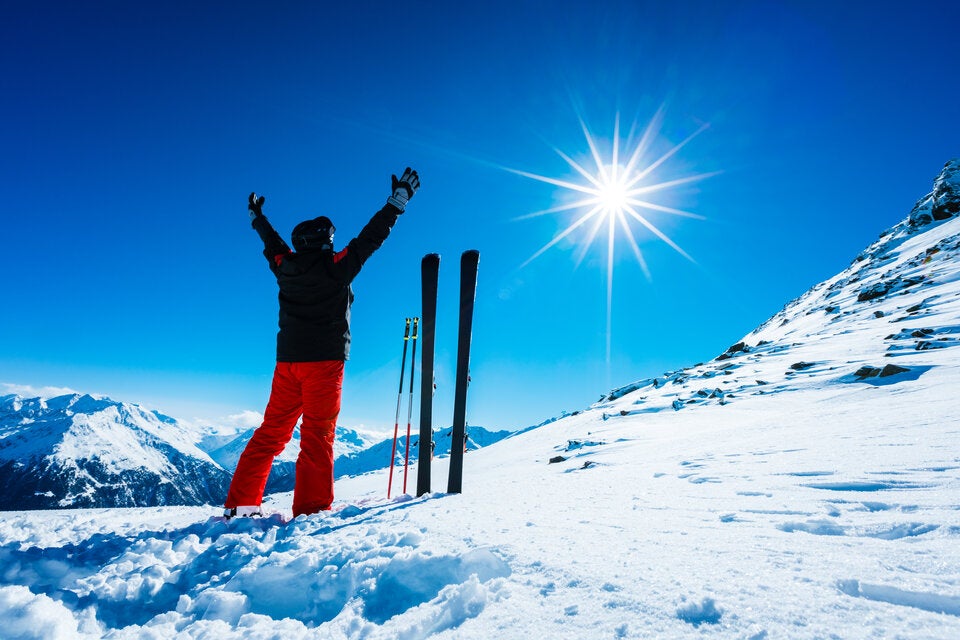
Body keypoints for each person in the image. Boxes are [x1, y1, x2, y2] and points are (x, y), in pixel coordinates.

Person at [223, 168, 420, 519]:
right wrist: (397, 201)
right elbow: (370, 238)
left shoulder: (285, 267)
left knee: (270, 433)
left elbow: (271, 244)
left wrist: (257, 216)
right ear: (325, 241)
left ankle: (240, 505)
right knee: (317, 436)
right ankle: (311, 510)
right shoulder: (336, 267)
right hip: (325, 364)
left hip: (288, 364)